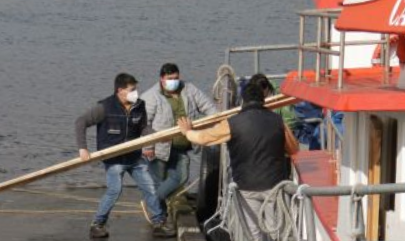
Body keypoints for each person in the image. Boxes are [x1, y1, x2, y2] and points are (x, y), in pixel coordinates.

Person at [178, 74, 297, 241]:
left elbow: (205, 138)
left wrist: (187, 131)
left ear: (243, 100)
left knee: (252, 232)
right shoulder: (278, 121)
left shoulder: (233, 123)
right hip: (274, 185)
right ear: (264, 99)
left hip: (247, 185)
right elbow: (293, 149)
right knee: (275, 230)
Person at [75, 73, 175, 239]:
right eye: (132, 89)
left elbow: (143, 129)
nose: (136, 93)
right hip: (113, 158)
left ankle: (159, 223)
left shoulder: (139, 105)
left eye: (136, 89)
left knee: (150, 187)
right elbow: (80, 122)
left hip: (134, 157)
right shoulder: (105, 107)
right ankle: (97, 224)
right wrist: (82, 149)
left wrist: (158, 136)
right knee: (115, 189)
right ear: (120, 90)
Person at [142, 63, 219, 212]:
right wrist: (148, 146)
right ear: (162, 79)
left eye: (176, 78)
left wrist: (217, 120)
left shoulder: (189, 90)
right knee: (159, 181)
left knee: (181, 177)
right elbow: (144, 124)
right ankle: (160, 215)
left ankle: (153, 202)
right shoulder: (151, 96)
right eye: (170, 79)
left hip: (182, 146)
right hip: (160, 148)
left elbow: (208, 106)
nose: (174, 81)